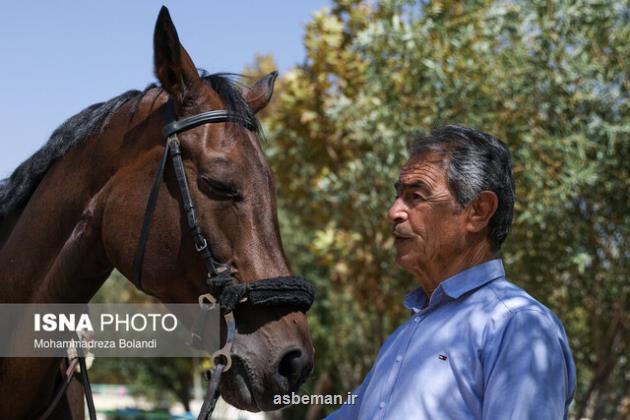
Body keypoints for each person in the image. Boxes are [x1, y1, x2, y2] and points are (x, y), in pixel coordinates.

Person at [327, 125, 576, 419]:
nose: (394, 212)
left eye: (416, 196)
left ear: (478, 211)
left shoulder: (517, 325)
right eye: (398, 195)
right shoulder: (405, 334)